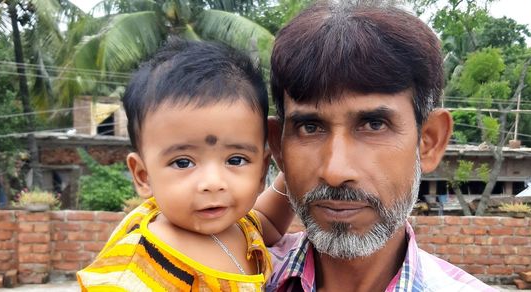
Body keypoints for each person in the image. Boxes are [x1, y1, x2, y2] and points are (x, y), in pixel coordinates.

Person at [265, 1, 496, 291]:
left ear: (429, 142)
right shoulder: (226, 278)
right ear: (278, 148)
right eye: (310, 127)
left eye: (374, 124)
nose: (335, 172)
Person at [77, 39, 292, 291]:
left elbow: (270, 221)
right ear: (143, 176)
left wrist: (295, 171)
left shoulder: (241, 227)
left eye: (236, 160)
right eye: (183, 162)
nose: (212, 183)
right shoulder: (134, 273)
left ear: (261, 171)